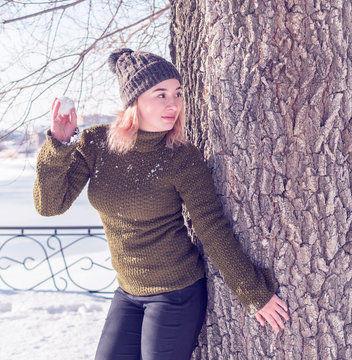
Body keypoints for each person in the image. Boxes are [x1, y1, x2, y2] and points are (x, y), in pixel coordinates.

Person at [33, 48, 289, 360]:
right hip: (127, 293)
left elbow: (212, 229)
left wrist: (252, 290)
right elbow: (50, 205)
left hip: (176, 293)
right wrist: (59, 145)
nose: (174, 104)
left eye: (178, 94)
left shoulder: (182, 158)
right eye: (161, 94)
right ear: (134, 100)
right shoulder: (96, 144)